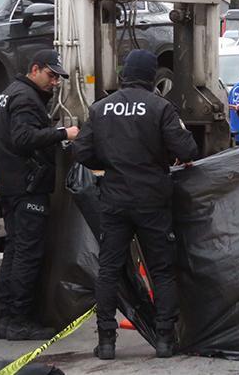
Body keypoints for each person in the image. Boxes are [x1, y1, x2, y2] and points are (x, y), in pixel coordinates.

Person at [73, 49, 198, 360]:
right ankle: (165, 340)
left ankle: (106, 342)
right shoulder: (161, 107)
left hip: (114, 199)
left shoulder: (101, 109)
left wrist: (110, 162)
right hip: (152, 200)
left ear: (124, 74)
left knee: (109, 270)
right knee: (162, 270)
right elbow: (188, 149)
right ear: (152, 77)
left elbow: (81, 151)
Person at [0, 49, 79, 341]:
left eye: (58, 78)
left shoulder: (9, 93)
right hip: (27, 186)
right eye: (51, 75)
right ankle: (19, 320)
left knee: (15, 250)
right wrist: (63, 133)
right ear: (35, 69)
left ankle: (7, 318)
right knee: (27, 254)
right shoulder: (26, 98)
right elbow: (24, 138)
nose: (55, 82)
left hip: (10, 183)